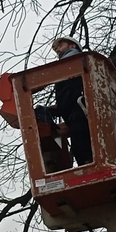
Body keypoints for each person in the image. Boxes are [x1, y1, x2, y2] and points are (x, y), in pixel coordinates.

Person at [34, 36, 93, 166]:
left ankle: (87, 163)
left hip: (78, 109)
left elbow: (68, 92)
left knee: (80, 143)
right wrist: (55, 109)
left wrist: (33, 85)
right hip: (74, 110)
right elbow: (68, 95)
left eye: (61, 46)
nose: (58, 50)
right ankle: (87, 162)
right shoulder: (70, 68)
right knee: (80, 143)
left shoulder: (72, 57)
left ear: (72, 46)